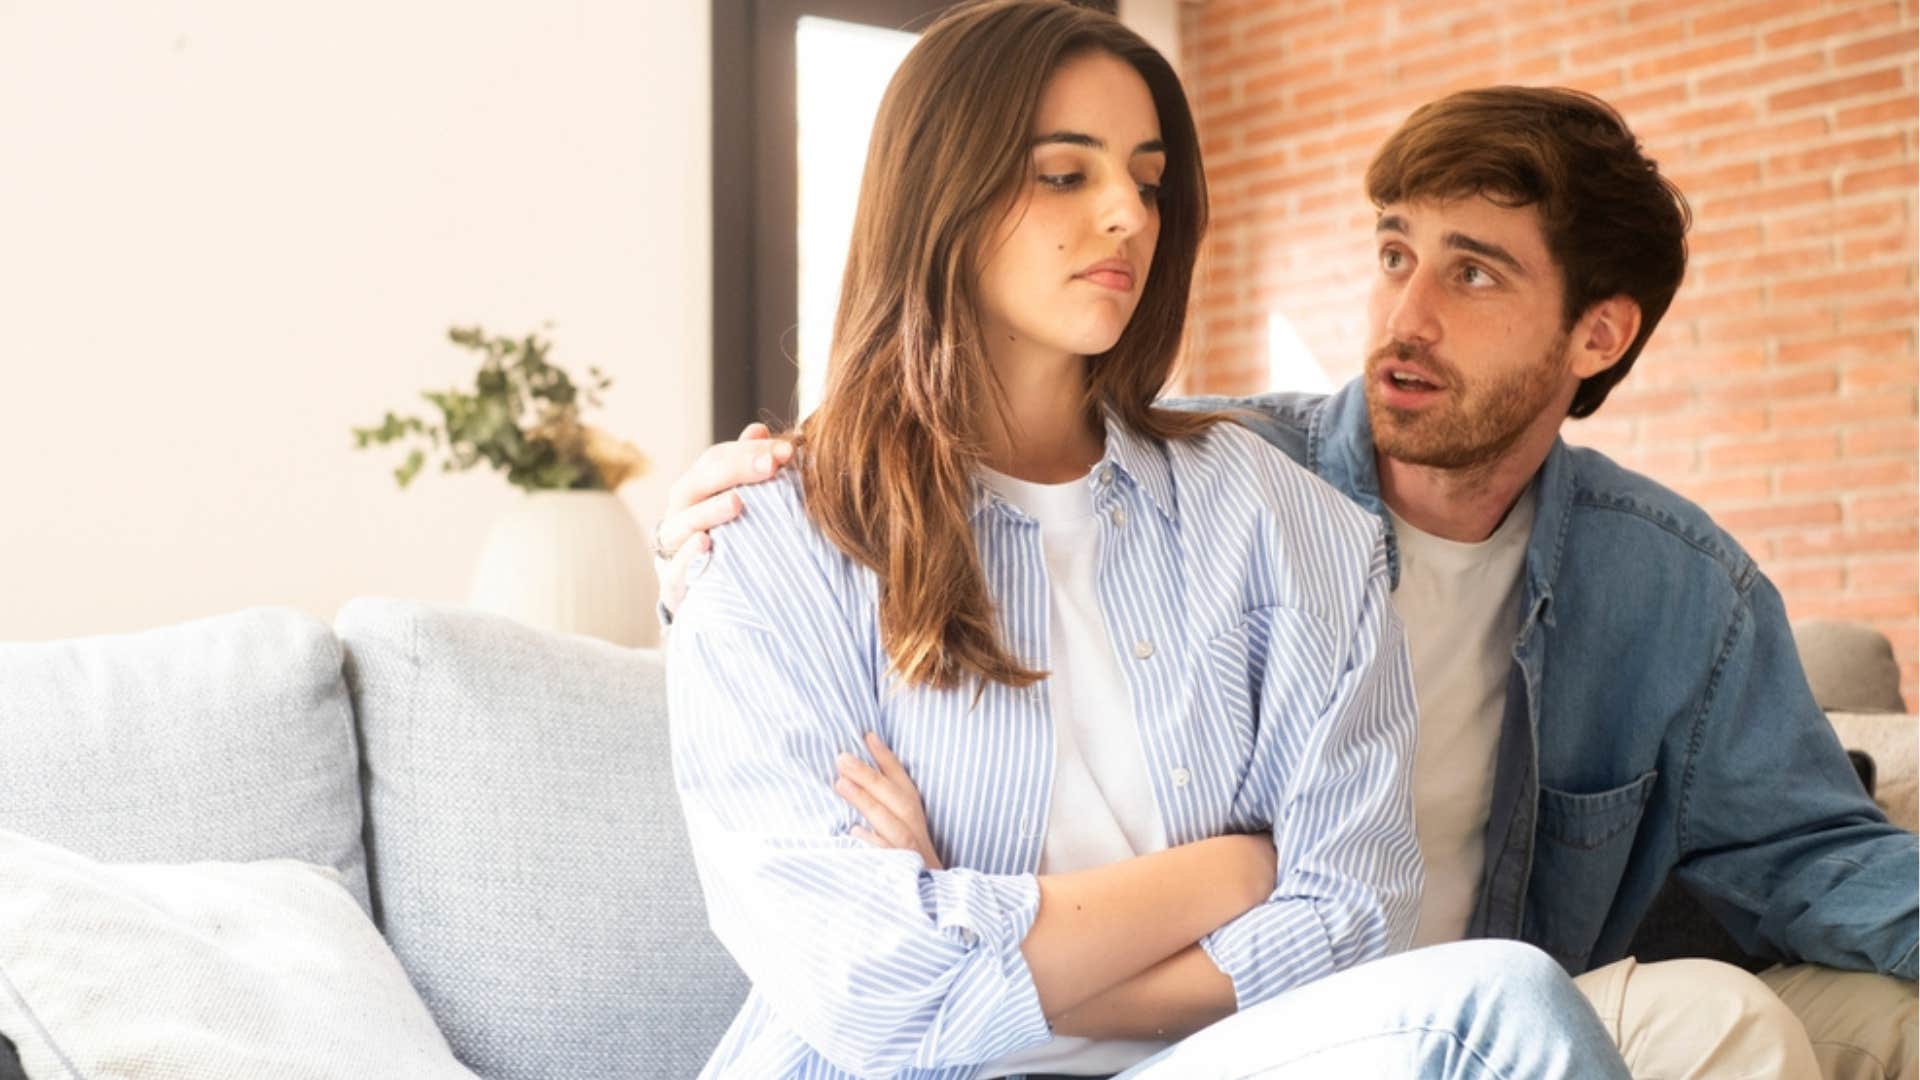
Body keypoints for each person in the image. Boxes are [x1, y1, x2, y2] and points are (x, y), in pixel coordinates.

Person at [661, 78, 1919, 1078]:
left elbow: (1809, 856)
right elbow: (856, 935)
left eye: (1471, 272)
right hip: (1302, 1017)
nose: (1403, 315)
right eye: (1392, 255)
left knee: (1764, 1021)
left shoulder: (1674, 586)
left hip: (1398, 1006)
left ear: (1599, 334)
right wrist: (714, 538)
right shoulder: (1216, 477)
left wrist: (988, 931)